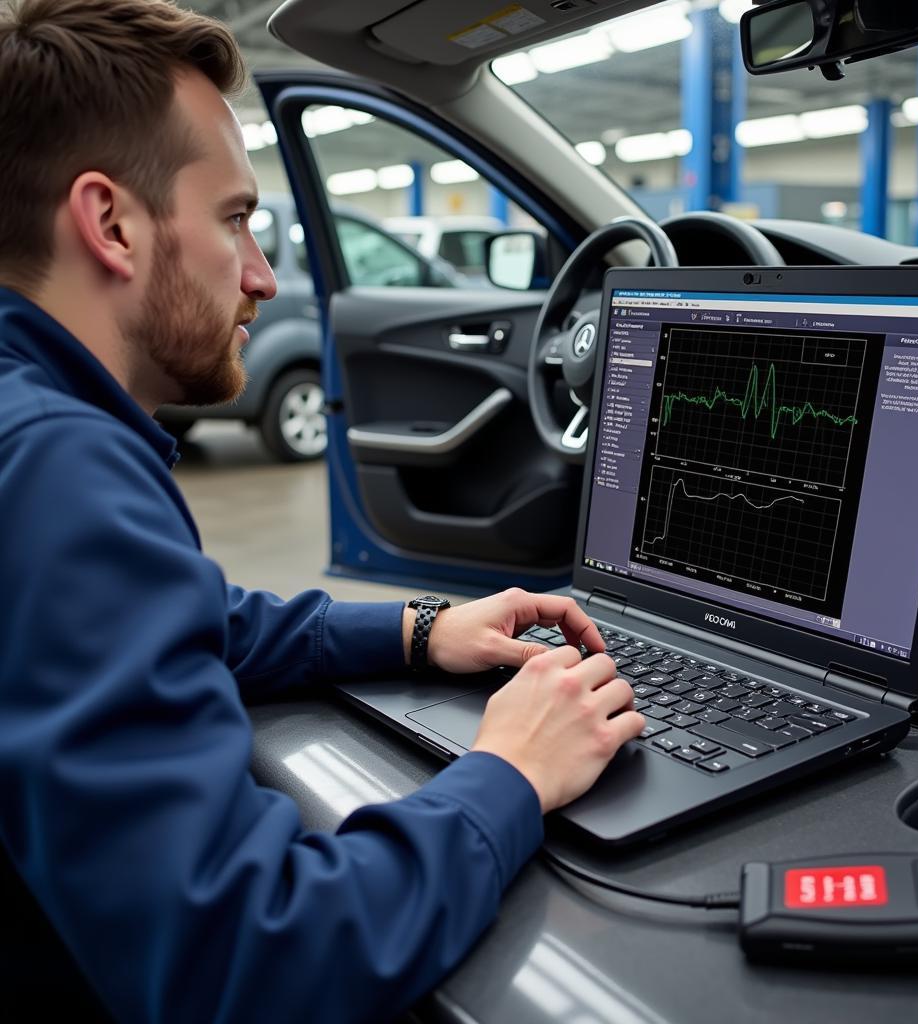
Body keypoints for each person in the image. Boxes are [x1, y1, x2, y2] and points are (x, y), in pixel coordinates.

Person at [0, 1, 645, 1020]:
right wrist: (509, 775)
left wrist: (421, 628)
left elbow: (182, 618)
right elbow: (247, 961)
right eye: (235, 219)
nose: (261, 276)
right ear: (110, 221)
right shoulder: (57, 469)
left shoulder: (28, 420)